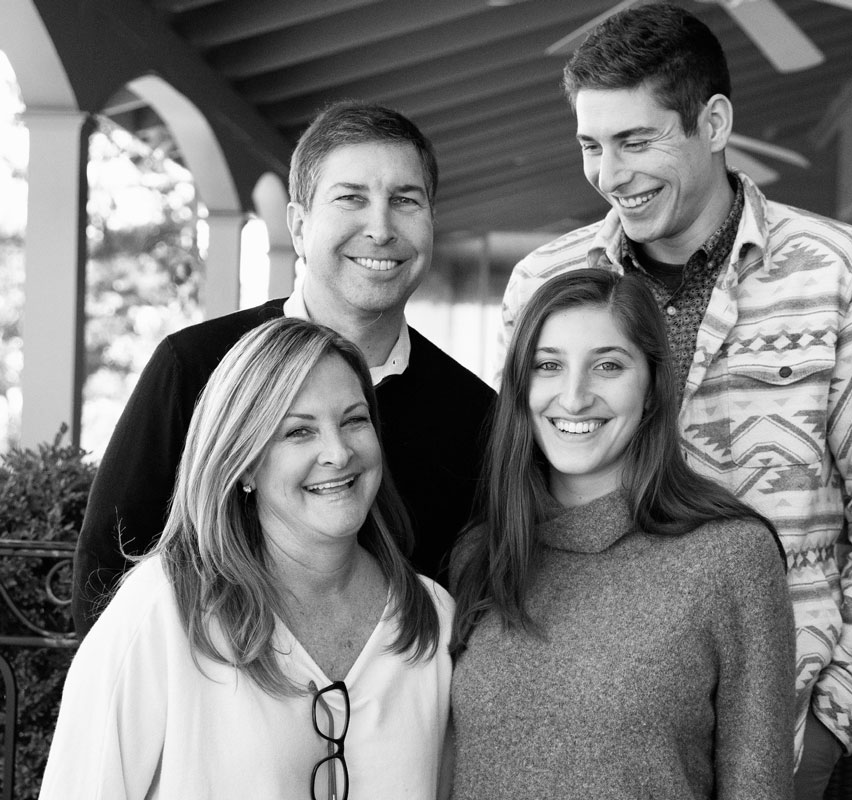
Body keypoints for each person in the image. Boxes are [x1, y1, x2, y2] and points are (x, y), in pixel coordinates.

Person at [496, 6, 852, 798]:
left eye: (637, 141)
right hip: (586, 727)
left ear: (713, 121)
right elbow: (517, 496)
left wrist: (829, 732)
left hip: (783, 725)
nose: (611, 174)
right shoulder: (543, 281)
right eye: (592, 146)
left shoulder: (845, 273)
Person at [73, 101, 495, 636]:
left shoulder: (475, 413)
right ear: (298, 225)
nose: (381, 228)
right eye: (351, 199)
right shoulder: (197, 366)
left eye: (406, 201)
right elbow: (107, 569)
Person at [41, 317, 453, 798]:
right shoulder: (162, 612)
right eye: (299, 432)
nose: (338, 453)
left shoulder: (433, 621)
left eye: (354, 420)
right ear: (245, 461)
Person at [449, 269, 796, 800]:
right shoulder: (482, 553)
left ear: (653, 387)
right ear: (520, 388)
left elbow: (758, 786)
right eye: (548, 366)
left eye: (607, 366)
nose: (574, 396)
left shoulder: (730, 557)